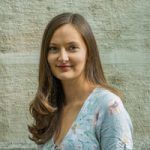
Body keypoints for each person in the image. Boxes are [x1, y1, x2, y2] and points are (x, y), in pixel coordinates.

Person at [28, 12, 133, 150]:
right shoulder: (50, 108)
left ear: (88, 52)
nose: (63, 57)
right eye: (54, 49)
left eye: (72, 48)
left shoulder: (108, 107)